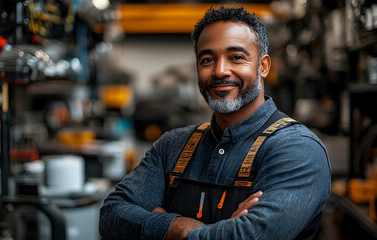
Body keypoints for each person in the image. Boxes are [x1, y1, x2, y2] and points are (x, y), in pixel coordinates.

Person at [99, 6, 331, 240]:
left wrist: (157, 223)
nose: (220, 71)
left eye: (236, 57)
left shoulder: (297, 149)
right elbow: (111, 217)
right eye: (208, 59)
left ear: (263, 66)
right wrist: (180, 226)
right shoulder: (172, 146)